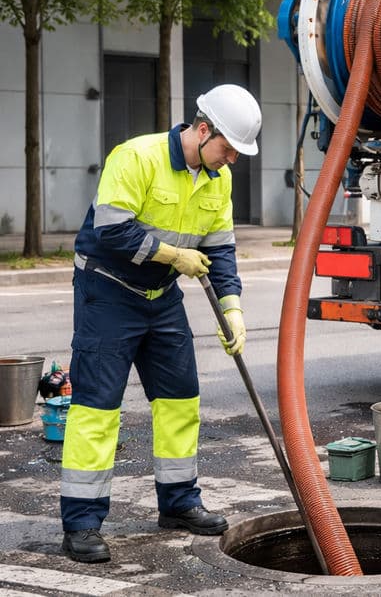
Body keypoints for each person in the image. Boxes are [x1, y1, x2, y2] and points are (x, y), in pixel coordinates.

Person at [60, 84, 261, 563]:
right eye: (228, 148)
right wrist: (174, 255)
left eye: (236, 153)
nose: (231, 159)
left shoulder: (218, 179)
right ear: (203, 129)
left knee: (180, 400)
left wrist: (232, 308)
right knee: (97, 409)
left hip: (161, 296)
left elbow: (220, 249)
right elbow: (111, 231)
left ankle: (179, 503)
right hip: (107, 291)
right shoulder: (136, 157)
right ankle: (82, 524)